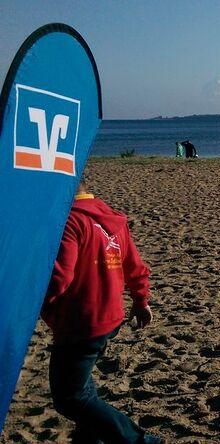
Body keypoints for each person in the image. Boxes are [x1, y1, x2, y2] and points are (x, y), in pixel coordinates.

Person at [41, 179, 160, 443]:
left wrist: (36, 306)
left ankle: (142, 441)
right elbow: (134, 265)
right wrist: (141, 301)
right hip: (109, 317)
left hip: (82, 323)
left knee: (70, 399)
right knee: (81, 388)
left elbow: (60, 279)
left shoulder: (70, 222)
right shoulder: (111, 216)